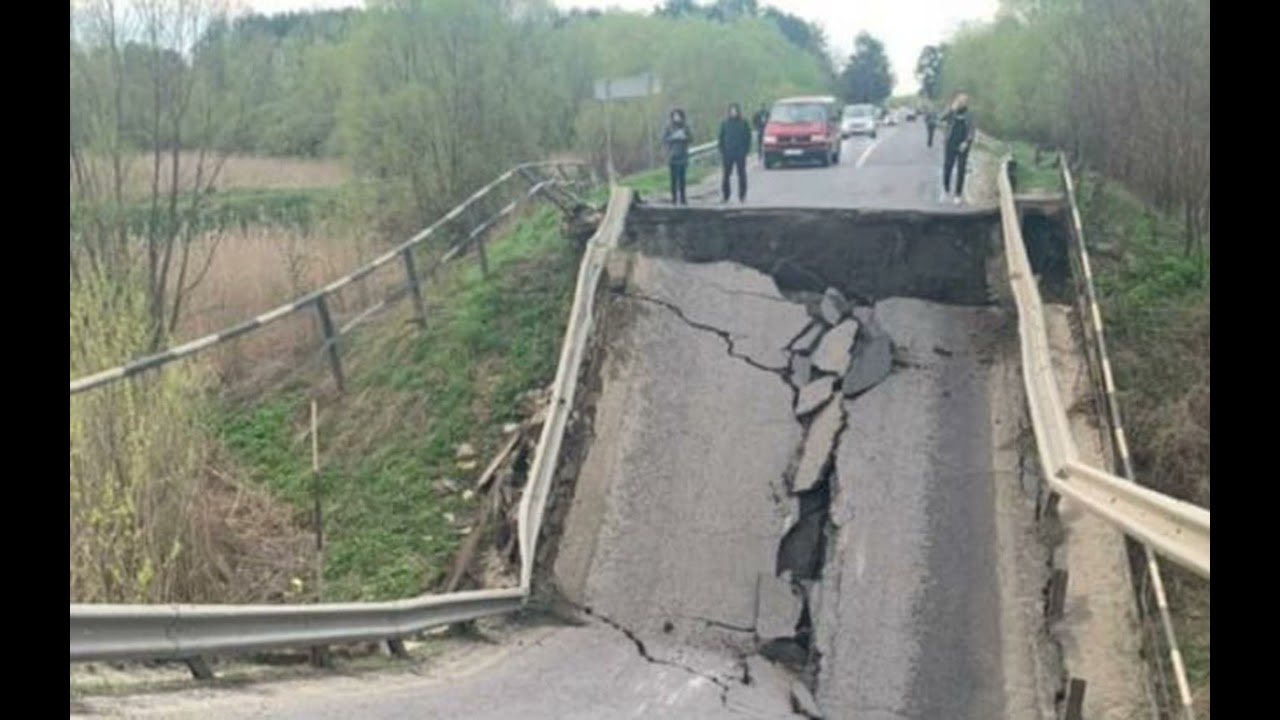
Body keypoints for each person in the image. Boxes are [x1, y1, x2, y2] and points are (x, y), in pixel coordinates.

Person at [939, 93, 976, 205]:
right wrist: (951, 109)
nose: (962, 102)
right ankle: (946, 190)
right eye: (960, 100)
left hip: (963, 144)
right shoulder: (952, 112)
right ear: (956, 101)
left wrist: (966, 142)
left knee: (961, 169)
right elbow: (941, 118)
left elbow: (972, 130)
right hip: (950, 142)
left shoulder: (969, 115)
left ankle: (958, 194)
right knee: (948, 166)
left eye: (964, 100)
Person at [718, 103, 753, 203]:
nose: (733, 112)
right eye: (731, 111)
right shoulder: (725, 123)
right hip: (728, 153)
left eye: (735, 110)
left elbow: (748, 137)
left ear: (738, 111)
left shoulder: (743, 123)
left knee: (741, 175)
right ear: (729, 112)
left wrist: (746, 150)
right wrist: (722, 150)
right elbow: (721, 138)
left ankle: (742, 196)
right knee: (726, 175)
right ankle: (726, 196)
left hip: (740, 153)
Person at [662, 108, 691, 206]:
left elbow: (691, 138)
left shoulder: (686, 127)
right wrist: (673, 137)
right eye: (675, 116)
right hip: (672, 156)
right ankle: (674, 198)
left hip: (683, 155)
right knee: (673, 179)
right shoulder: (669, 128)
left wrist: (684, 137)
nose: (676, 118)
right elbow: (664, 139)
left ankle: (683, 198)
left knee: (682, 178)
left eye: (678, 116)